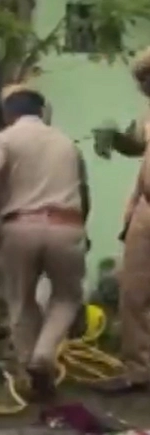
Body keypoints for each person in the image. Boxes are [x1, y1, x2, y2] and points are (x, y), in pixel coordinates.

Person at [0, 84, 90, 401]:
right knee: (66, 297)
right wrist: (81, 228)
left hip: (20, 228)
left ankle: (30, 370)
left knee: (21, 301)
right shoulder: (66, 142)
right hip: (66, 226)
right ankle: (44, 355)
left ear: (7, 114)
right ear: (41, 112)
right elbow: (83, 191)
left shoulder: (5, 140)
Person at [91, 47, 150, 393]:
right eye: (142, 80)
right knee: (134, 290)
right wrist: (114, 137)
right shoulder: (148, 114)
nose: (144, 85)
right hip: (146, 209)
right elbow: (136, 145)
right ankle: (139, 368)